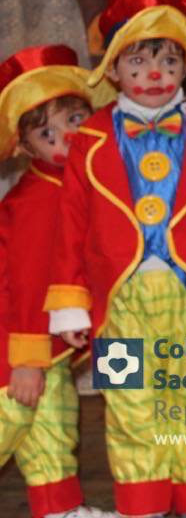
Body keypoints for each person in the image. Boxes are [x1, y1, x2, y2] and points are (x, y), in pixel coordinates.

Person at [45, 0, 186, 518]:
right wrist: (71, 302)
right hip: (119, 305)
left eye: (168, 60)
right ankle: (141, 505)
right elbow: (70, 226)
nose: (154, 74)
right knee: (129, 406)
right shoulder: (90, 141)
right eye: (137, 62)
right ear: (113, 70)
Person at [0, 45, 116, 518]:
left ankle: (60, 509)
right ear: (27, 149)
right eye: (48, 133)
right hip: (14, 352)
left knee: (53, 428)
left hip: (51, 351)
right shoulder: (37, 203)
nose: (66, 138)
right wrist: (26, 362)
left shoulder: (79, 187)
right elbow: (26, 284)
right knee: (10, 423)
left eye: (74, 120)